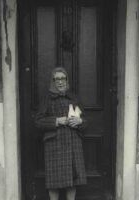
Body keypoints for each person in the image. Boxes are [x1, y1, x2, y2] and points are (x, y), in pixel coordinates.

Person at [35, 67, 87, 200]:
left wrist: (80, 121)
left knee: (72, 180)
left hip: (73, 143)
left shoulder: (74, 98)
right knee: (54, 182)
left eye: (62, 78)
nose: (60, 82)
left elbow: (86, 121)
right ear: (53, 81)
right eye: (56, 79)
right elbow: (38, 122)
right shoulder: (47, 99)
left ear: (66, 80)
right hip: (54, 145)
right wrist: (56, 121)